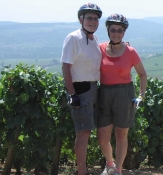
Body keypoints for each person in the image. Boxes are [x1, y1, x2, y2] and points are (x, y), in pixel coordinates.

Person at [97, 13, 147, 175]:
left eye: (120, 30)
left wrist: (141, 95)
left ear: (124, 32)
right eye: (113, 30)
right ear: (108, 31)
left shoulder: (131, 52)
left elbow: (142, 74)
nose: (116, 33)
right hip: (104, 93)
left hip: (125, 93)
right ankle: (109, 164)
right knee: (103, 135)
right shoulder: (100, 49)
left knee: (121, 134)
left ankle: (118, 170)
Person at [60, 3, 102, 175]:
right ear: (81, 19)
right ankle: (81, 172)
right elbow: (65, 67)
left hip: (93, 88)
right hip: (80, 89)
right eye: (89, 18)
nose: (93, 21)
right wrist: (72, 94)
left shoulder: (94, 39)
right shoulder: (73, 38)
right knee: (83, 132)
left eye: (96, 18)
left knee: (87, 130)